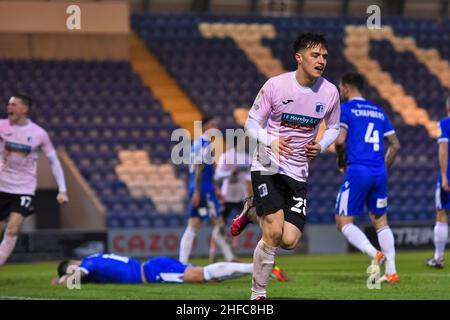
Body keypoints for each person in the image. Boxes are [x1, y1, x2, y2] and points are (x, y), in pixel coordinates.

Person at [233, 33, 341, 300]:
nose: (321, 61)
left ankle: (250, 211)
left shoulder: (330, 92)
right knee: (273, 231)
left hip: (298, 170)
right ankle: (258, 295)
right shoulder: (276, 86)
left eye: (325, 56)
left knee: (290, 240)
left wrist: (321, 144)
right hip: (267, 163)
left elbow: (335, 127)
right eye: (315, 55)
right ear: (299, 57)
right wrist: (271, 141)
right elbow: (251, 123)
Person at [334, 73, 400, 283]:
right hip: (378, 171)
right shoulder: (379, 112)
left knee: (342, 221)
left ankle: (374, 254)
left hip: (358, 170)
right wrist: (383, 167)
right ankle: (392, 272)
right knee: (380, 221)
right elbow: (395, 145)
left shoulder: (346, 109)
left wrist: (341, 160)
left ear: (345, 88)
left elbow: (339, 141)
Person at [0, 94, 68, 266]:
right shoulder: (1, 126)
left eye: (13, 104)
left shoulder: (39, 134)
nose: (9, 107)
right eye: (8, 104)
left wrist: (62, 190)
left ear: (24, 109)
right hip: (2, 185)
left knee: (13, 228)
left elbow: (54, 160)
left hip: (24, 189)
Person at [178, 116, 236, 264]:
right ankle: (230, 258)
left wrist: (215, 188)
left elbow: (203, 170)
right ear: (205, 128)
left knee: (194, 224)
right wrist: (198, 191)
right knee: (218, 222)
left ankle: (182, 262)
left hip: (203, 188)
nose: (216, 128)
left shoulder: (200, 144)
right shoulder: (203, 145)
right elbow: (198, 169)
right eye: (213, 125)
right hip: (203, 189)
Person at [52, 252, 287, 285]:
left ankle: (262, 267)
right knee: (209, 278)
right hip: (153, 266)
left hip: (152, 272)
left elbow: (78, 276)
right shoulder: (95, 258)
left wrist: (62, 281)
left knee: (202, 275)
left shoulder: (86, 264)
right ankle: (259, 269)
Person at [427, 95, 450, 269]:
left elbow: (443, 149)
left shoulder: (444, 123)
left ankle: (439, 258)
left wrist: (443, 175)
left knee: (442, 213)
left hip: (449, 175)